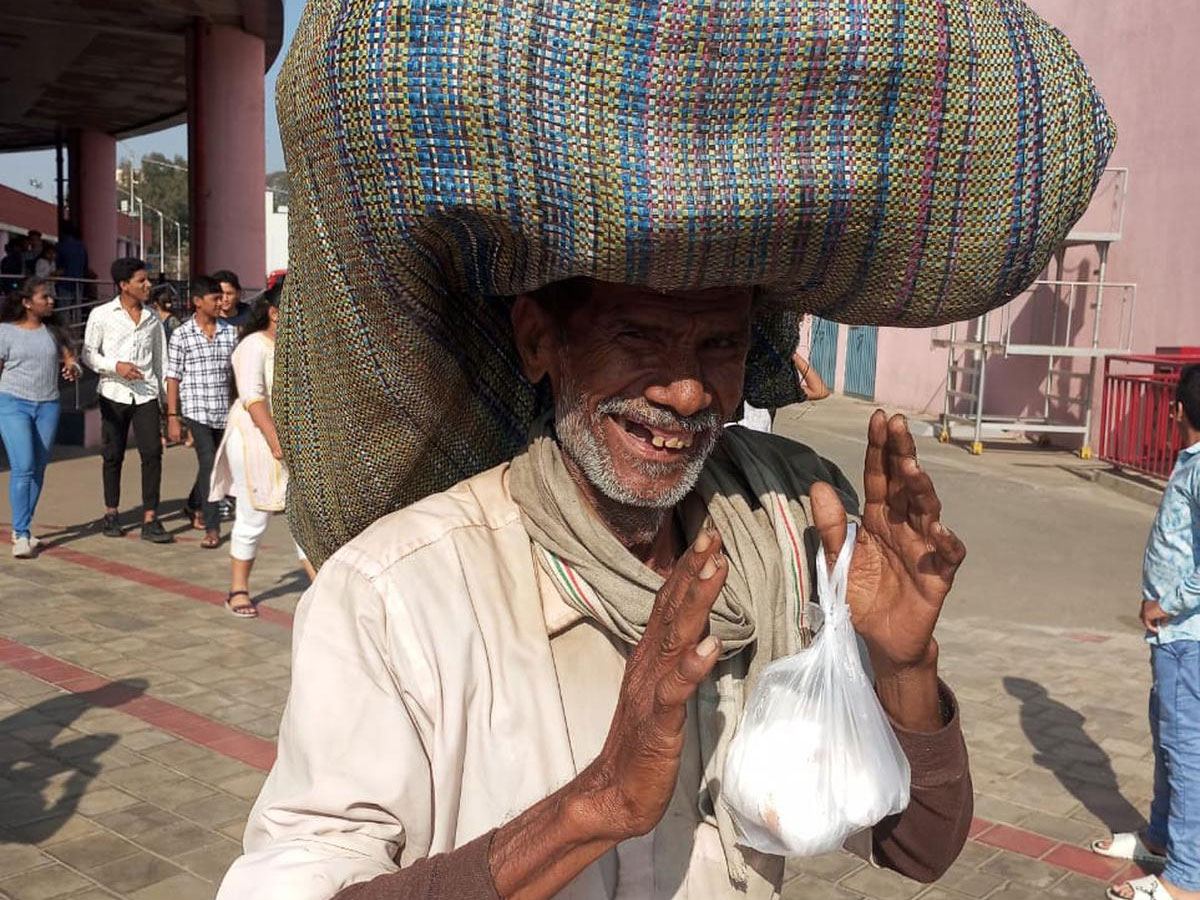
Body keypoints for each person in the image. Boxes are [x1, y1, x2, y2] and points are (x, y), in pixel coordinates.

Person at [218, 278, 974, 900]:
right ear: (540, 340)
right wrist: (597, 804)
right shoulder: (396, 595)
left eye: (720, 345)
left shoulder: (781, 539)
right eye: (639, 338)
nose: (685, 392)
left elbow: (916, 850)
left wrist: (903, 668)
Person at [1094, 364, 1200, 900]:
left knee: (1187, 751)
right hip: (1173, 636)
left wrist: (1168, 603)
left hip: (1189, 635)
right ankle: (1159, 839)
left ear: (1177, 410)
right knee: (1168, 737)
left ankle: (1187, 877)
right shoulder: (1192, 463)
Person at [209, 282, 317, 617]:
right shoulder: (253, 345)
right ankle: (237, 590)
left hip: (291, 439)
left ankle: (321, 588)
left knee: (305, 512)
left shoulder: (297, 348)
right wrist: (274, 441)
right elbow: (252, 398)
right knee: (254, 512)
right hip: (255, 438)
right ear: (274, 313)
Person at [81, 257, 173, 543]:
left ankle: (150, 518)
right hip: (113, 393)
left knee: (152, 454)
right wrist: (115, 366)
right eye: (141, 280)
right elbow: (88, 354)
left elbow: (162, 363)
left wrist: (170, 408)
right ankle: (111, 512)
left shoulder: (152, 320)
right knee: (112, 455)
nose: (148, 285)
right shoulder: (102, 315)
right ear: (123, 285)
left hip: (146, 395)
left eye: (147, 280)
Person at [0, 278, 79, 558]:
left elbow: (70, 358)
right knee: (23, 466)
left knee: (39, 468)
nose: (51, 301)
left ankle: (25, 527)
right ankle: (20, 534)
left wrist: (72, 366)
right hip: (12, 404)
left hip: (48, 405)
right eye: (45, 297)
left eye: (51, 297)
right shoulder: (5, 332)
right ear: (26, 302)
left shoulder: (54, 331)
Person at [165, 275, 237, 549]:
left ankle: (194, 503)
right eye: (215, 298)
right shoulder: (182, 335)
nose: (222, 302)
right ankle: (212, 526)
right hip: (196, 410)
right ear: (197, 302)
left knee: (218, 465)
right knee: (209, 463)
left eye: (223, 297)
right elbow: (173, 377)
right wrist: (173, 417)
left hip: (223, 411)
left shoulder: (230, 333)